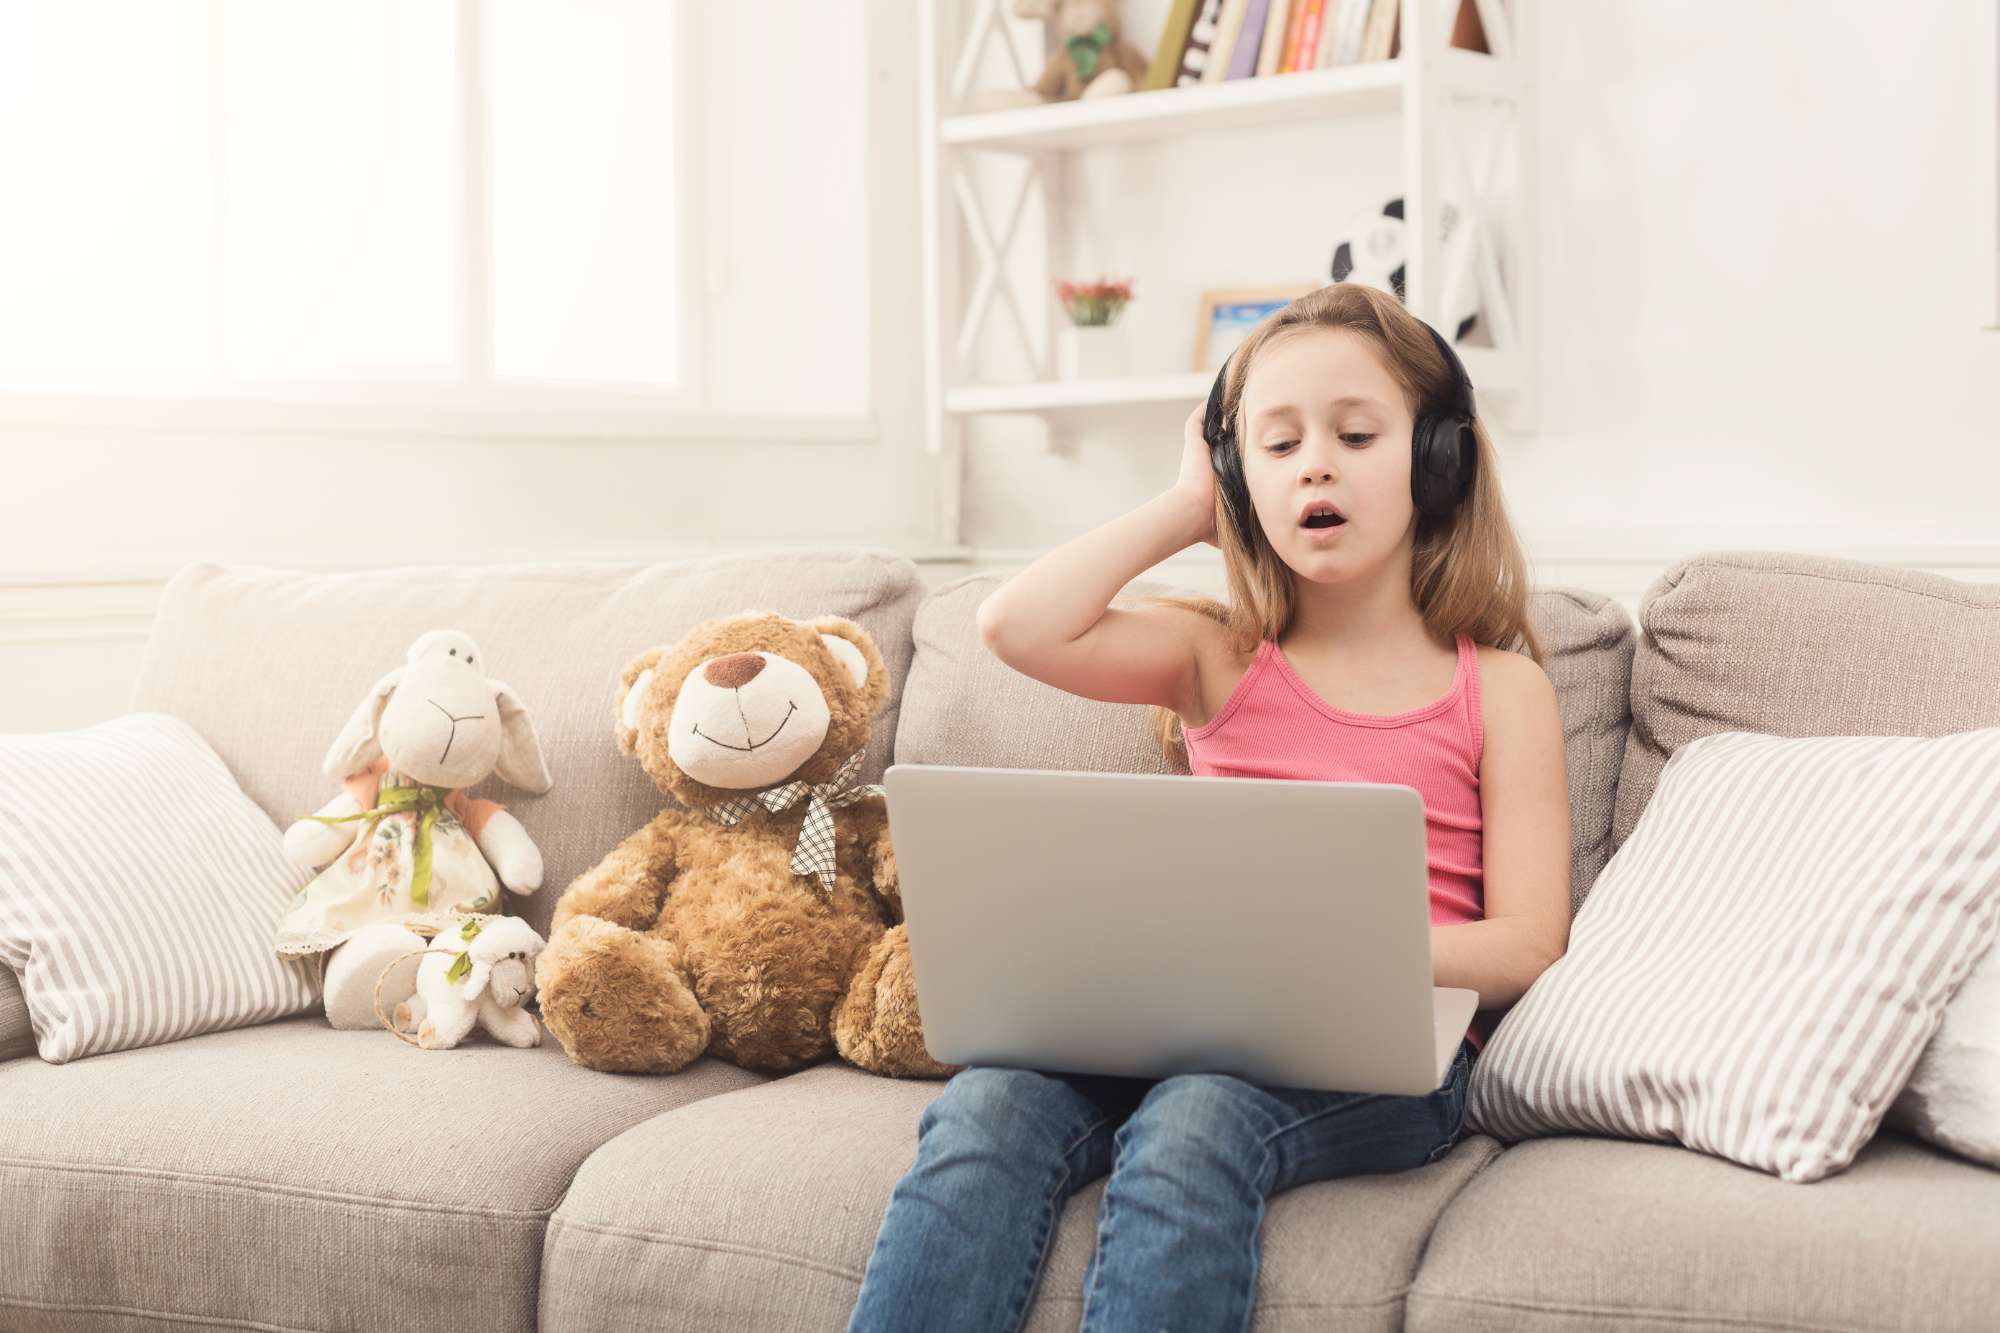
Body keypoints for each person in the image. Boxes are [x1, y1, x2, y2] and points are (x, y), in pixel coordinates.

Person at [845, 281, 1573, 1333]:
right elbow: (1015, 625)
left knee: (1194, 1123)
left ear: (1436, 461)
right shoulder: (1213, 656)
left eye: (1355, 433)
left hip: (1388, 1048)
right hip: (1174, 1022)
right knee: (983, 1103)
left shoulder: (1499, 689)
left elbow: (1528, 942)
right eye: (1273, 447)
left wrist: (1337, 953)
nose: (1313, 462)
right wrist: (1189, 504)